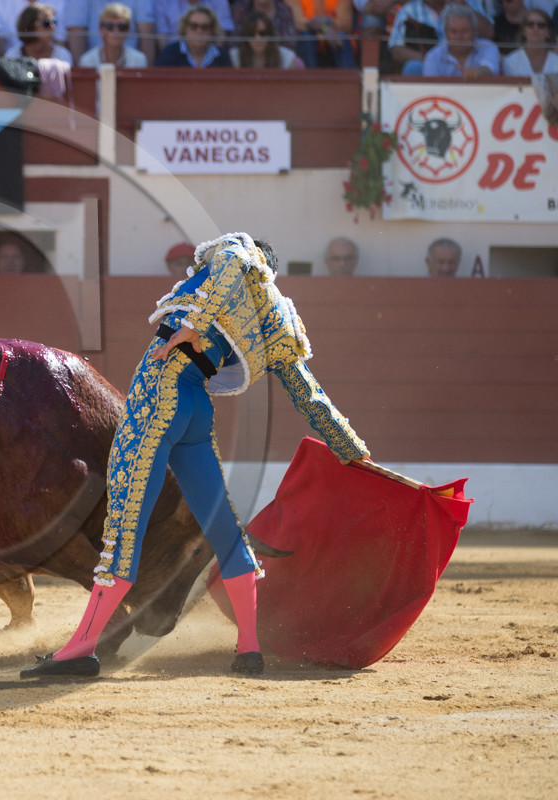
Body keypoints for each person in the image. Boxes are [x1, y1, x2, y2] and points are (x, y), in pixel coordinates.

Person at [20, 233, 370, 680]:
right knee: (225, 529)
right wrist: (351, 449)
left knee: (124, 526)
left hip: (159, 397)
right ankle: (249, 649)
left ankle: (80, 650)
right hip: (196, 411)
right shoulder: (278, 319)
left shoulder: (233, 259)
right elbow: (310, 395)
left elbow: (233, 259)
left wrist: (196, 323)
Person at [388, 0, 493, 76]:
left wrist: (462, 4)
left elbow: (489, 33)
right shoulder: (409, 10)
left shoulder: (466, 3)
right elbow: (397, 49)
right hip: (425, 62)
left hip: (467, 62)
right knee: (413, 67)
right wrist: (431, 61)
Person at [421, 3, 499, 78]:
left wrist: (478, 72)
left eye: (465, 31)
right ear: (445, 33)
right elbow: (431, 85)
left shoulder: (487, 47)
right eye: (453, 31)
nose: (459, 37)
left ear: (475, 31)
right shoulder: (433, 57)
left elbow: (490, 68)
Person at [66, 0, 154, 64]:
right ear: (100, 29)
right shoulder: (87, 61)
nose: (116, 31)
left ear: (128, 30)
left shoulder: (139, 60)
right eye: (109, 26)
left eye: (122, 27)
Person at [155, 5, 231, 67]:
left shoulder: (222, 56)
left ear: (212, 31)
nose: (199, 31)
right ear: (185, 28)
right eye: (193, 26)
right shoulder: (170, 53)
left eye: (205, 27)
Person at [290, 0, 356, 68]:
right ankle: (308, 74)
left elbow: (346, 25)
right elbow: (297, 22)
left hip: (334, 43)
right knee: (305, 35)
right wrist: (324, 29)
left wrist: (329, 22)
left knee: (341, 36)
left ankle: (348, 73)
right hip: (309, 42)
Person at [230, 9, 304, 67]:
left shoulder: (287, 59)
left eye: (262, 33)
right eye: (251, 34)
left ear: (270, 34)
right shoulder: (234, 58)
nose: (258, 39)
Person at [4, 3, 74, 64]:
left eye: (54, 22)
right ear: (30, 25)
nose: (52, 27)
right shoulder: (13, 56)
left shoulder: (62, 55)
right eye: (47, 23)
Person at [154, 0, 234, 49]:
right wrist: (170, 56)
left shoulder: (220, 1)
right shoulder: (162, 1)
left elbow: (220, 36)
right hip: (174, 59)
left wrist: (211, 57)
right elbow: (162, 38)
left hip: (211, 58)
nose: (198, 31)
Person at [501, 7, 558, 75]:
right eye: (530, 24)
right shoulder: (511, 62)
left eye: (541, 25)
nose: (535, 28)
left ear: (548, 32)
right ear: (523, 31)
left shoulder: (556, 61)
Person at [231, 0, 298, 45]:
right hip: (244, 58)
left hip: (277, 58)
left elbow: (289, 44)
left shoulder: (284, 11)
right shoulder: (240, 9)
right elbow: (234, 42)